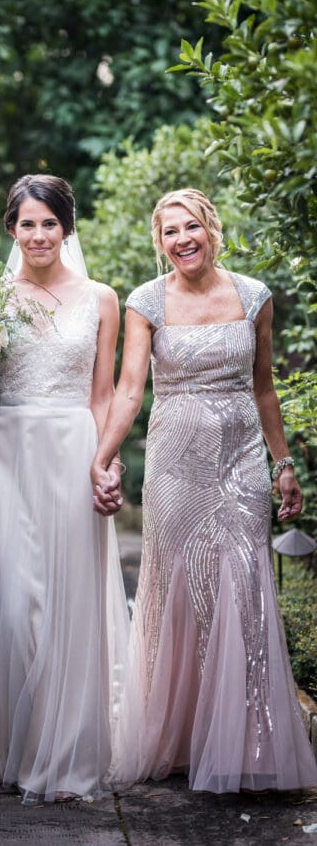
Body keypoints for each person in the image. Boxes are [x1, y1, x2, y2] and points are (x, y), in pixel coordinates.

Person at [91, 188, 317, 793]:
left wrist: (283, 463)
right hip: (174, 464)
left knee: (242, 585)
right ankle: (180, 737)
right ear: (159, 242)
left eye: (191, 227)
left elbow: (265, 388)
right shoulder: (146, 303)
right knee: (178, 590)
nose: (182, 239)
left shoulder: (254, 297)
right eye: (170, 232)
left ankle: (247, 740)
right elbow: (131, 389)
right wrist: (104, 456)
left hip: (241, 462)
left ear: (211, 229)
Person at [0, 174, 130, 804]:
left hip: (72, 448)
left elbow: (104, 392)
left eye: (49, 223)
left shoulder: (102, 298)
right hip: (7, 450)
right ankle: (9, 742)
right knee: (14, 604)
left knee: (68, 603)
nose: (38, 234)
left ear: (66, 228)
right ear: (11, 229)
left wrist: (105, 462)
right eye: (26, 223)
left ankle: (63, 757)